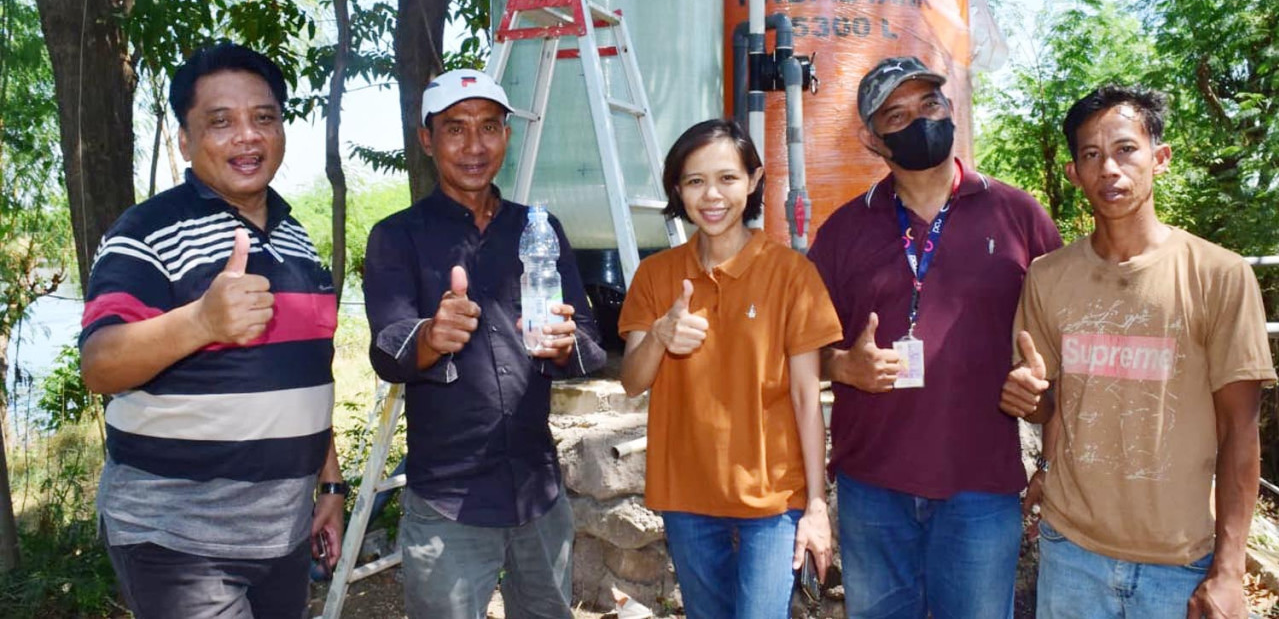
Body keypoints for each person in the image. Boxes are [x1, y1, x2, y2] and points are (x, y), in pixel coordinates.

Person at [79, 42, 344, 619]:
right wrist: (200, 321)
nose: (247, 137)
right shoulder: (147, 230)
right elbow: (98, 364)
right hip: (177, 538)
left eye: (263, 118)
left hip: (284, 533)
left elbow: (305, 375)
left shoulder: (298, 238)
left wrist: (329, 487)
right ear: (184, 140)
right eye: (220, 122)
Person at [999, 85, 1276, 619]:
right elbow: (1048, 406)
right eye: (1091, 154)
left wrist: (1229, 570)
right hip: (1072, 553)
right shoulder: (1047, 276)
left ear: (1160, 158)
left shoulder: (1220, 275)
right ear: (1074, 173)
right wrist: (1027, 396)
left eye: (1126, 148)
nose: (1109, 169)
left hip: (1180, 563)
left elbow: (1240, 431)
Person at [807, 56, 1062, 619]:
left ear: (951, 111)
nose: (919, 120)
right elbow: (797, 353)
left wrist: (1041, 397)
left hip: (981, 484)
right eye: (896, 115)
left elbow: (1062, 348)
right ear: (872, 140)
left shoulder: (1018, 215)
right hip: (872, 484)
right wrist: (842, 366)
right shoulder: (844, 229)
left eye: (930, 105)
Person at [362, 68, 607, 619]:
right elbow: (387, 349)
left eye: (489, 127)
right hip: (450, 499)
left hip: (539, 493)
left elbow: (589, 345)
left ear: (507, 136)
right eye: (455, 129)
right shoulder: (396, 236)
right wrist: (430, 336)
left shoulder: (538, 229)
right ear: (427, 138)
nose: (474, 145)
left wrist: (566, 344)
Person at [616, 118, 843, 619]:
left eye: (727, 178)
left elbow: (809, 400)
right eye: (695, 181)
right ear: (677, 189)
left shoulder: (792, 274)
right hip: (686, 495)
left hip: (773, 498)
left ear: (754, 180)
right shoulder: (656, 274)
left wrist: (816, 505)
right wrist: (659, 335)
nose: (711, 195)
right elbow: (633, 381)